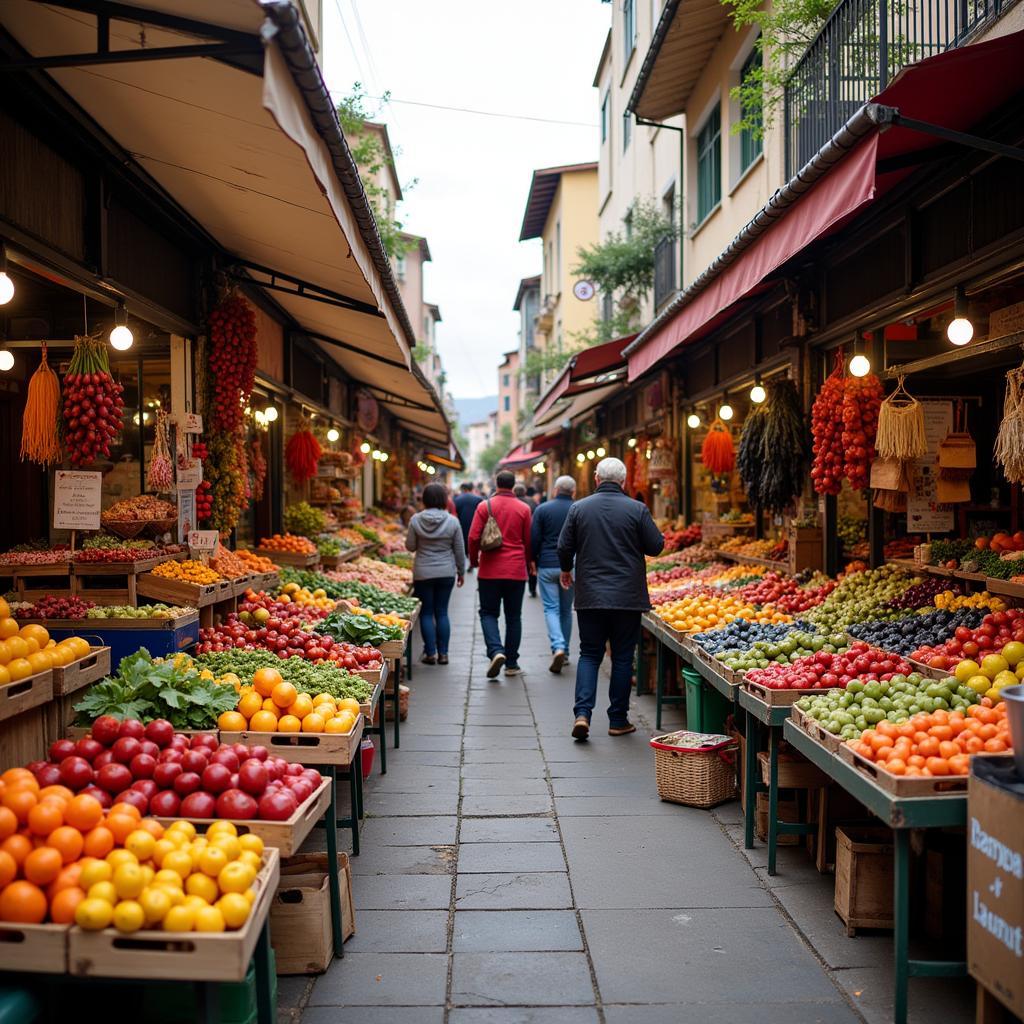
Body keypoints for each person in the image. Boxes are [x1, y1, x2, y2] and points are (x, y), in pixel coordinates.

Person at [557, 456, 663, 739]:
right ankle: (617, 720)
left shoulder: (579, 508)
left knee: (590, 654)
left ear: (596, 478)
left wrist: (566, 570)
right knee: (622, 657)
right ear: (624, 481)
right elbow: (656, 546)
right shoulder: (637, 509)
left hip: (590, 595)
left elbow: (563, 546)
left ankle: (582, 714)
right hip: (627, 597)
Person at [468, 468, 533, 678]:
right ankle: (512, 663)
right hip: (515, 570)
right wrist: (530, 562)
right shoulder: (523, 508)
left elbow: (472, 537)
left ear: (497, 484)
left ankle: (496, 651)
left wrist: (474, 560)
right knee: (514, 617)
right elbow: (528, 540)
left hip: (489, 570)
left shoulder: (484, 506)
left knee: (488, 613)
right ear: (513, 485)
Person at [405, 482, 466, 665]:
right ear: (444, 499)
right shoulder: (452, 521)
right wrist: (461, 571)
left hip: (423, 572)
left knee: (426, 612)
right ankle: (444, 654)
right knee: (442, 612)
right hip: (446, 572)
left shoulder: (416, 520)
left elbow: (410, 546)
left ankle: (430, 653)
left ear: (424, 499)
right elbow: (459, 549)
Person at [531, 475, 576, 673]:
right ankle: (564, 651)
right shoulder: (579, 508)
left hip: (548, 564)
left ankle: (557, 646)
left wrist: (532, 560)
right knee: (566, 610)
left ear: (555, 490)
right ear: (573, 492)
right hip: (572, 566)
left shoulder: (542, 509)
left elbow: (534, 538)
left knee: (551, 608)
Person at [513, 484, 538, 597]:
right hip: (531, 534)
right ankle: (532, 588)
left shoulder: (513, 503)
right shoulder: (532, 502)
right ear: (525, 492)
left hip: (516, 536)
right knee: (531, 562)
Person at [453, 482, 483, 572]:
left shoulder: (457, 499)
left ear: (463, 489)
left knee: (460, 545)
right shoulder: (478, 499)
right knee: (473, 544)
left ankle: (460, 564)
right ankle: (471, 562)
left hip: (461, 525)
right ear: (471, 489)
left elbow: (454, 513)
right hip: (475, 525)